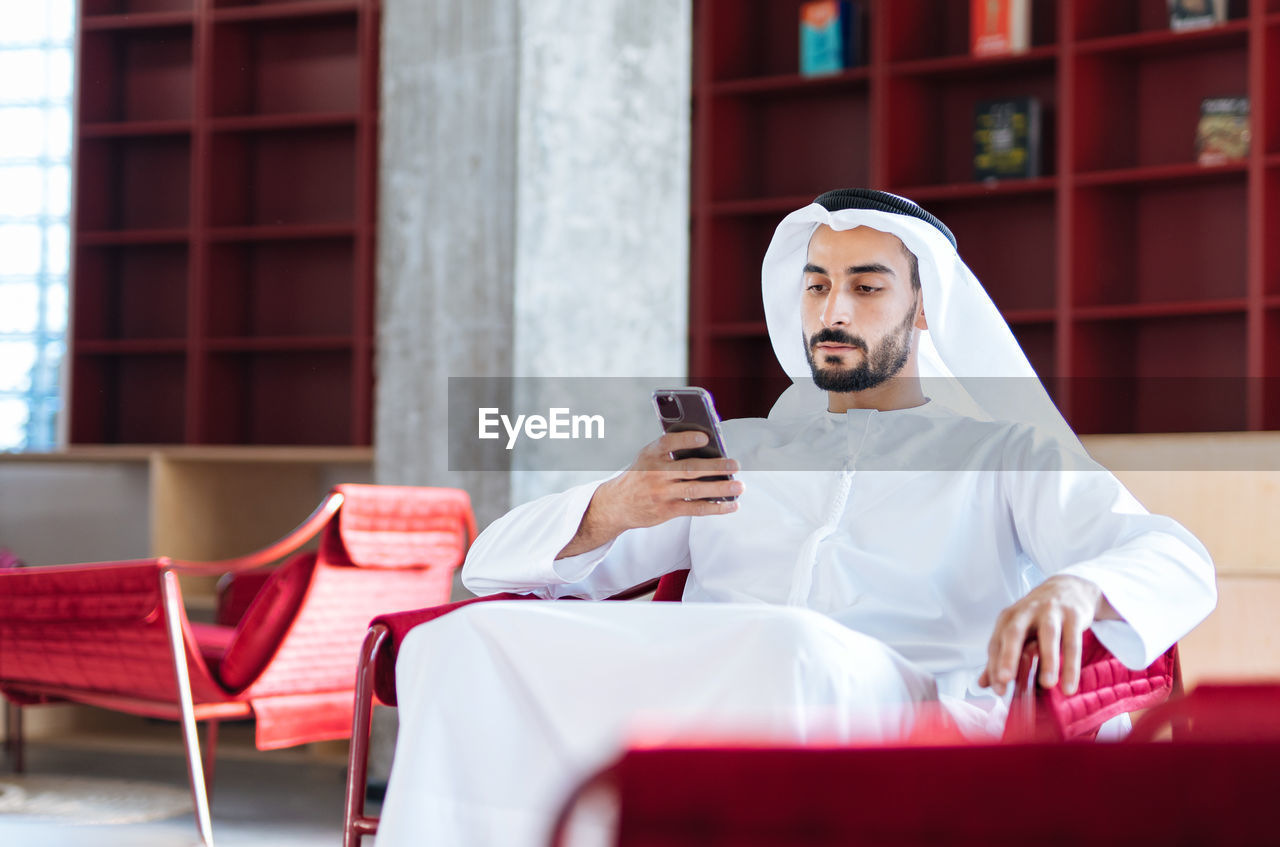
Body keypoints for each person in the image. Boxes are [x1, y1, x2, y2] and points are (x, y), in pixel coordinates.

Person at [375, 189, 1217, 847]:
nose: (833, 310)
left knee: (788, 644)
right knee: (460, 639)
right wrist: (611, 509)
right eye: (817, 284)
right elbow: (488, 566)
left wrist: (1078, 586)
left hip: (909, 706)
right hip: (715, 687)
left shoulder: (1002, 452)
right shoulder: (737, 447)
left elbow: (1174, 555)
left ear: (925, 309)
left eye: (866, 285)